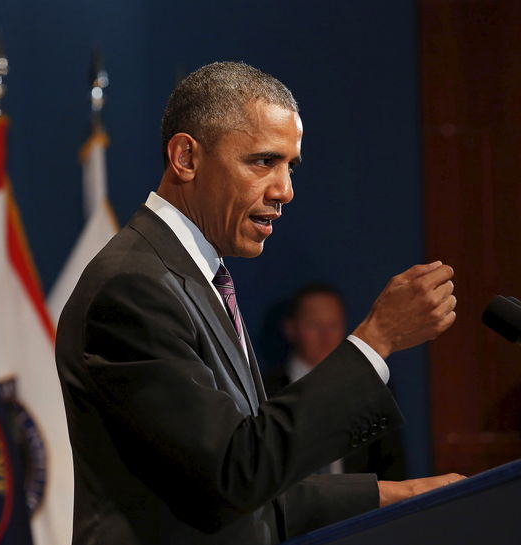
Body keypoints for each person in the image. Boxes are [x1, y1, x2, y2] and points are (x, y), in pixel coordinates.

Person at [55, 61, 463, 545]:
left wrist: (402, 494)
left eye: (290, 166)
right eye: (263, 161)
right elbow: (234, 474)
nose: (285, 191)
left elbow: (251, 487)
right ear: (186, 157)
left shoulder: (195, 278)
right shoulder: (132, 287)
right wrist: (376, 339)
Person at [263, 284, 407, 480]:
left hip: (361, 506)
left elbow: (392, 465)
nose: (326, 336)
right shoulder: (264, 390)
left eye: (333, 325)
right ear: (291, 329)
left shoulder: (370, 386)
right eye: (313, 325)